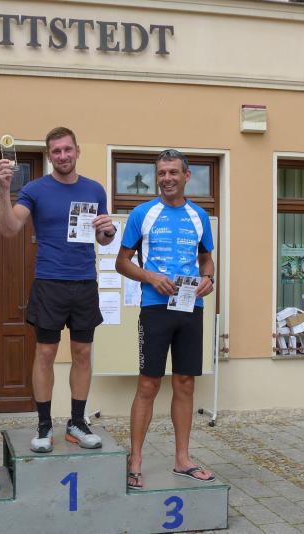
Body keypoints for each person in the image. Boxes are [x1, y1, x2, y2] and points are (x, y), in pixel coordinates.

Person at [0, 126, 116, 453]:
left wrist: (108, 231)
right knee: (45, 353)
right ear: (49, 156)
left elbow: (103, 238)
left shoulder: (95, 189)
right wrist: (5, 190)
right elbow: (9, 228)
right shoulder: (35, 189)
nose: (63, 156)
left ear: (77, 151)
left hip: (84, 281)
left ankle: (77, 422)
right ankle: (44, 425)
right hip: (49, 282)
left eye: (67, 149)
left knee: (82, 352)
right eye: (56, 151)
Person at [115, 149, 216, 489]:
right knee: (148, 384)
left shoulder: (199, 216)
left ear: (187, 176)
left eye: (173, 172)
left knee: (185, 383)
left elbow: (206, 259)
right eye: (162, 173)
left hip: (191, 308)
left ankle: (182, 459)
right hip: (155, 308)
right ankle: (136, 460)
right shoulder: (142, 213)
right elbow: (121, 262)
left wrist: (209, 279)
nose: (167, 178)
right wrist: (149, 277)